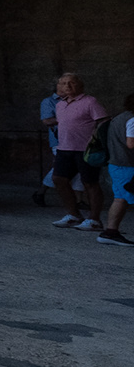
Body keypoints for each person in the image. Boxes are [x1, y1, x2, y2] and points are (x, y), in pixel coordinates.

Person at [49, 72, 108, 230]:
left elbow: (104, 121)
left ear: (80, 85)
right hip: (64, 148)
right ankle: (73, 215)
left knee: (90, 183)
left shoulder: (90, 101)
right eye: (64, 83)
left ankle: (94, 220)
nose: (67, 86)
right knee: (58, 179)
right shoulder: (60, 105)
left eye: (72, 82)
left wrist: (97, 141)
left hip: (85, 150)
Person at [98, 94, 134, 248]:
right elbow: (131, 143)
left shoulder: (119, 117)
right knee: (122, 198)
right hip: (127, 165)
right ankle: (110, 232)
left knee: (120, 198)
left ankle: (110, 232)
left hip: (117, 164)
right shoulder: (132, 119)